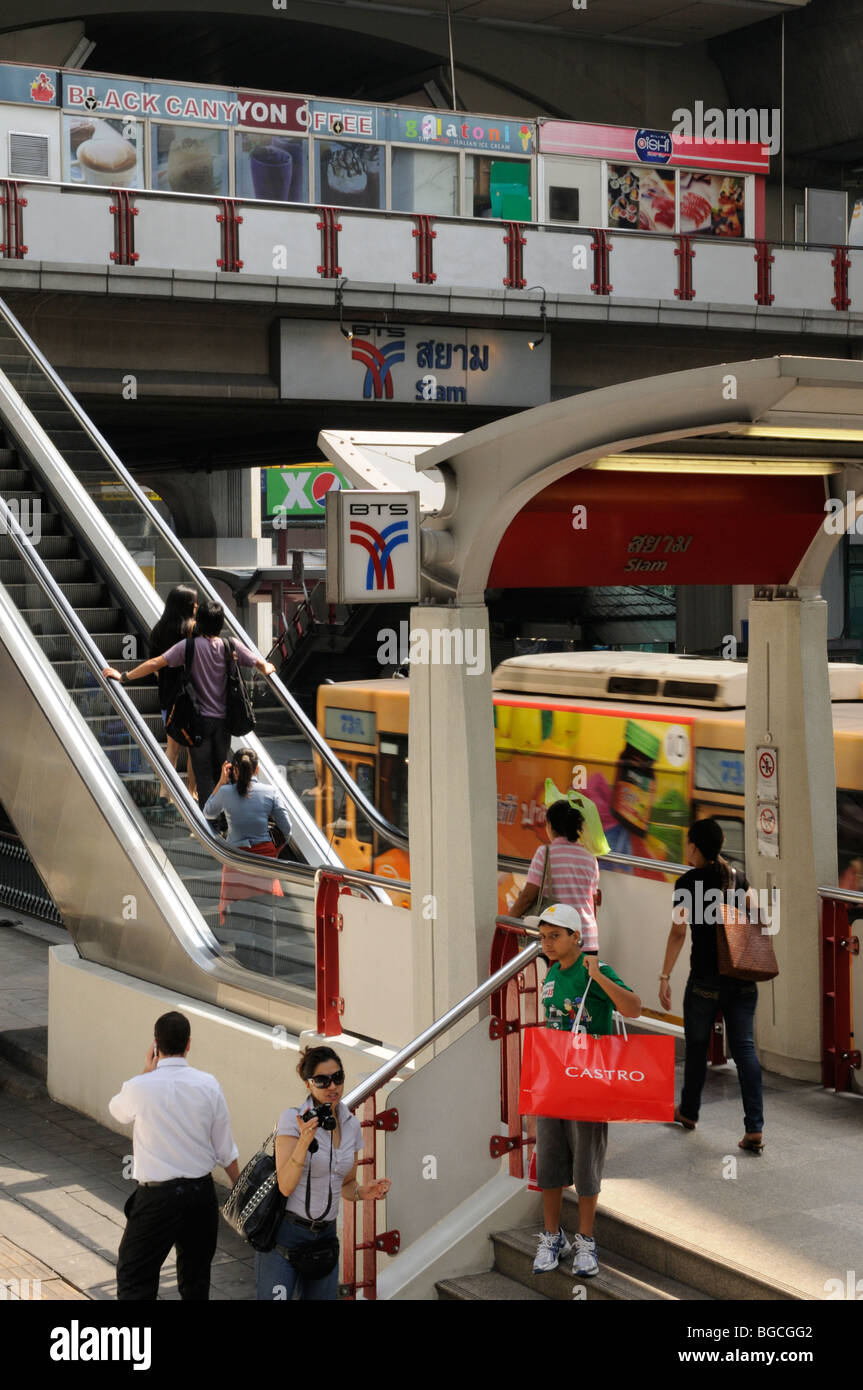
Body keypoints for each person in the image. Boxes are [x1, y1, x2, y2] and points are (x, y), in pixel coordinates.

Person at [532, 903, 641, 1279]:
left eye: (555, 936)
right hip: (552, 1080)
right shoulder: (550, 972)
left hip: (590, 1079)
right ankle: (551, 1235)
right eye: (544, 936)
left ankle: (586, 1240)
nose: (547, 943)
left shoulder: (596, 971)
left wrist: (600, 976)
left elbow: (634, 1008)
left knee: (586, 1162)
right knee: (548, 1158)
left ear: (576, 937)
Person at [108, 1010, 239, 1301]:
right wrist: (239, 1188)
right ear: (189, 1044)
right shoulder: (208, 1084)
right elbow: (224, 1149)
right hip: (200, 1194)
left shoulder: (139, 1087)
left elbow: (117, 1111)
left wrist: (145, 1071)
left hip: (157, 1198)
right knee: (196, 1278)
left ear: (155, 1045)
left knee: (135, 1276)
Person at [102, 600, 275, 815]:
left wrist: (124, 676)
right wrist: (267, 667)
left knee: (203, 773)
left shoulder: (189, 646)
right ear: (220, 624)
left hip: (198, 723)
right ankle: (224, 818)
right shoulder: (230, 645)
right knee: (222, 770)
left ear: (199, 623)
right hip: (223, 723)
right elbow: (256, 661)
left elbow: (156, 663)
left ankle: (208, 821)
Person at [658, 817, 764, 1154]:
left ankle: (688, 1112)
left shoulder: (686, 884)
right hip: (742, 977)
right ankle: (754, 1129)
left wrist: (664, 976)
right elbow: (759, 915)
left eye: (689, 843)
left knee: (697, 1048)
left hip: (705, 978)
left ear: (695, 846)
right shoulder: (736, 877)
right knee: (744, 1048)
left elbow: (678, 932)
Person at [256, 1045, 391, 1301]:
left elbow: (347, 1184)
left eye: (337, 1077)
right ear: (308, 1085)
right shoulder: (292, 1120)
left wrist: (364, 1191)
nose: (332, 1086)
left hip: (324, 1239)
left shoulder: (351, 1125)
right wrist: (305, 1141)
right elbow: (285, 1185)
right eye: (322, 1080)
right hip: (285, 1235)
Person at [203, 749, 293, 923]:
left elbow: (208, 813)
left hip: (235, 859)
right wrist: (275, 849)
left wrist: (222, 782)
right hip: (265, 861)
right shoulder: (270, 792)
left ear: (234, 770)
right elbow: (287, 829)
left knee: (239, 919)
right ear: (257, 769)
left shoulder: (226, 792)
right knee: (265, 919)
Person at [511, 798, 600, 953]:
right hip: (587, 940)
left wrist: (508, 921)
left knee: (551, 978)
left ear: (550, 826)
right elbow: (591, 902)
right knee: (582, 978)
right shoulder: (590, 857)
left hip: (557, 942)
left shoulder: (545, 853)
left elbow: (527, 897)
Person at [148, 584, 198, 802]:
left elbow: (156, 666)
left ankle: (165, 792)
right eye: (194, 602)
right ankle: (191, 792)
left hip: (168, 696)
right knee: (193, 748)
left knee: (173, 747)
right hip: (193, 697)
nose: (197, 606)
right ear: (188, 605)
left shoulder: (158, 630)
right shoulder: (192, 630)